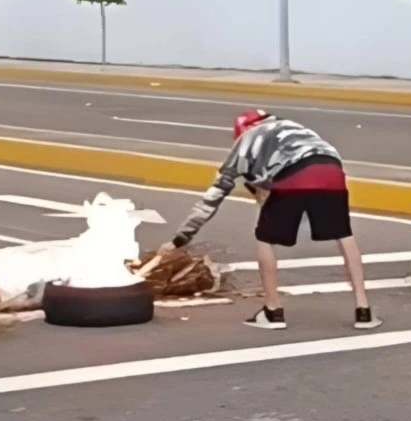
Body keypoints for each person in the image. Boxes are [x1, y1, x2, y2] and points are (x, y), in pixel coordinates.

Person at [156, 110, 381, 331]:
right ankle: (364, 310)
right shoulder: (296, 129)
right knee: (344, 234)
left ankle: (273, 311)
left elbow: (213, 197)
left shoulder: (246, 141)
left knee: (265, 237)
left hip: (293, 177)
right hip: (332, 173)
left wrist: (180, 239)